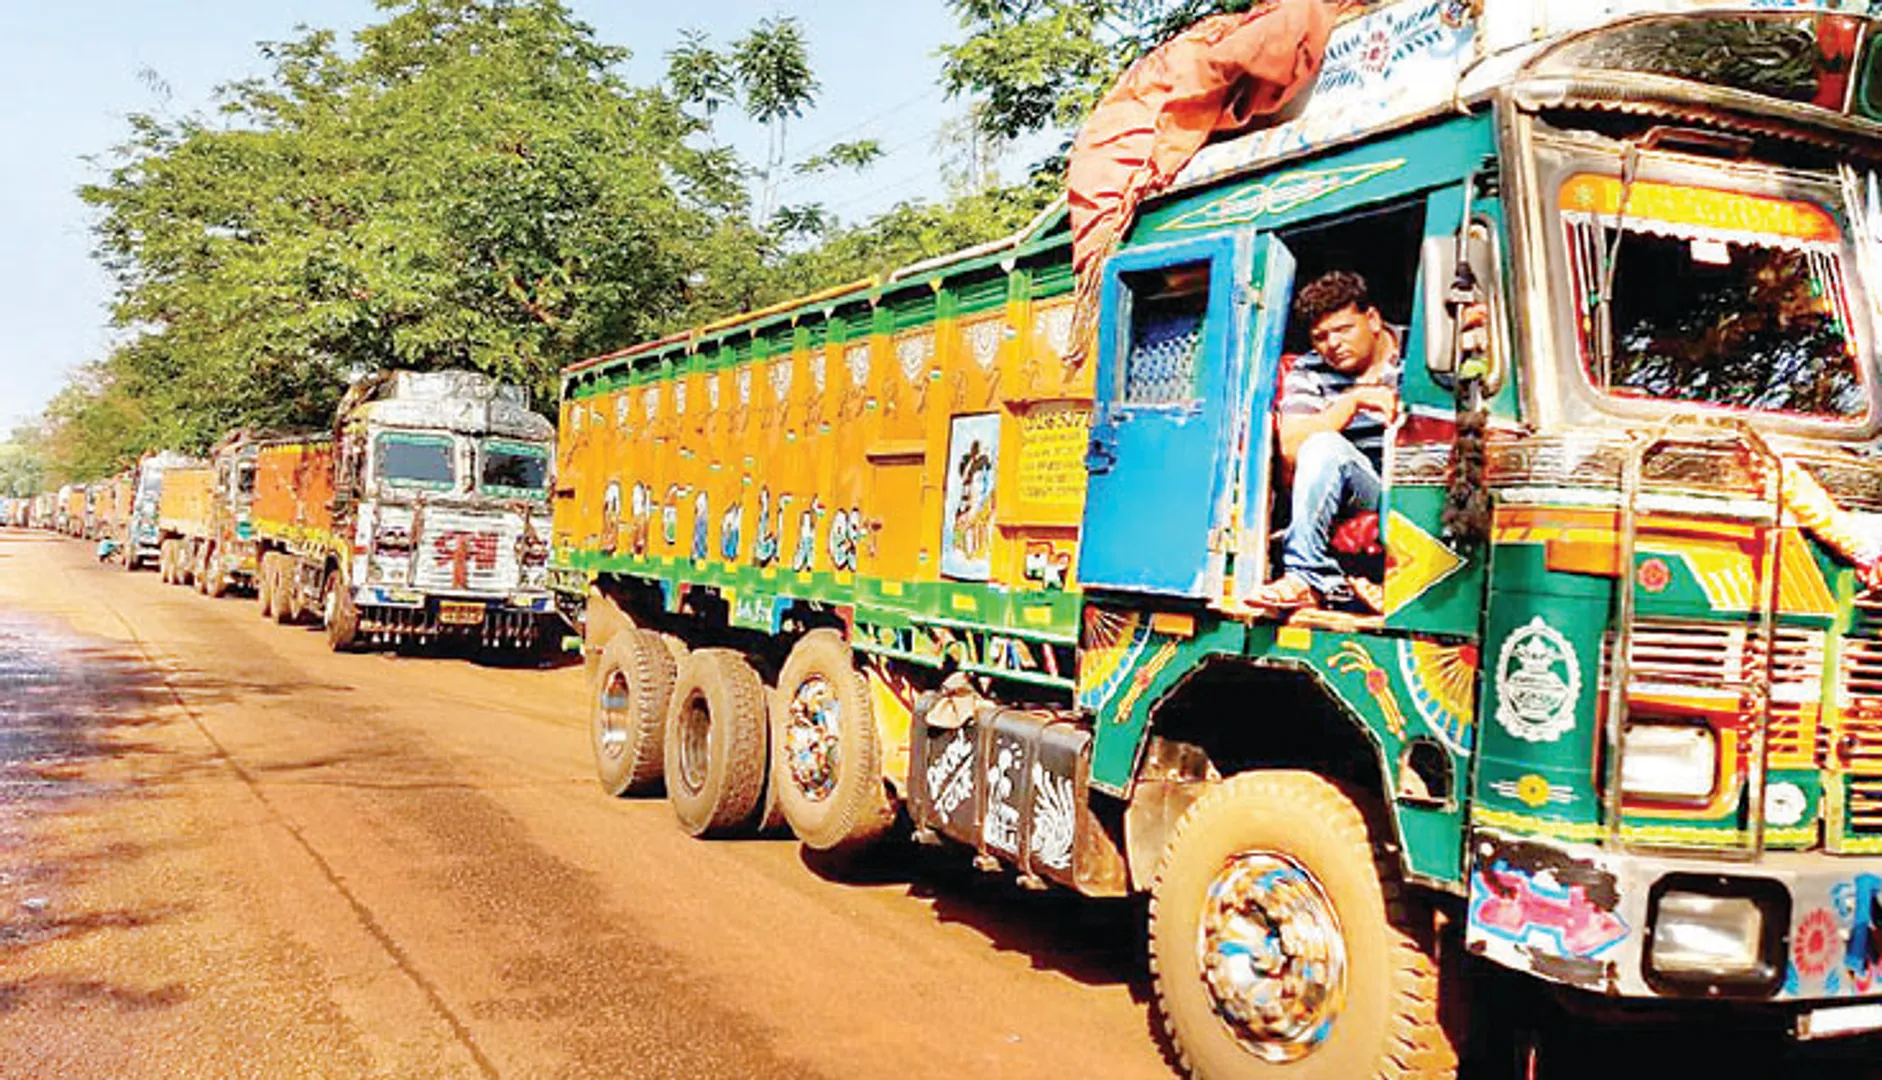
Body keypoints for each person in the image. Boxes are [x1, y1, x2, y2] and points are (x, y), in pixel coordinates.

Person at [1248, 270, 1400, 614]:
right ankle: (1306, 576)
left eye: (1344, 329)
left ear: (1373, 319)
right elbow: (1292, 448)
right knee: (1321, 445)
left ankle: (1353, 584)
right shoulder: (1310, 369)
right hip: (1358, 491)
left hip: (1411, 484)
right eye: (1321, 336)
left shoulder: (1418, 353)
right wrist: (1352, 402)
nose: (1332, 344)